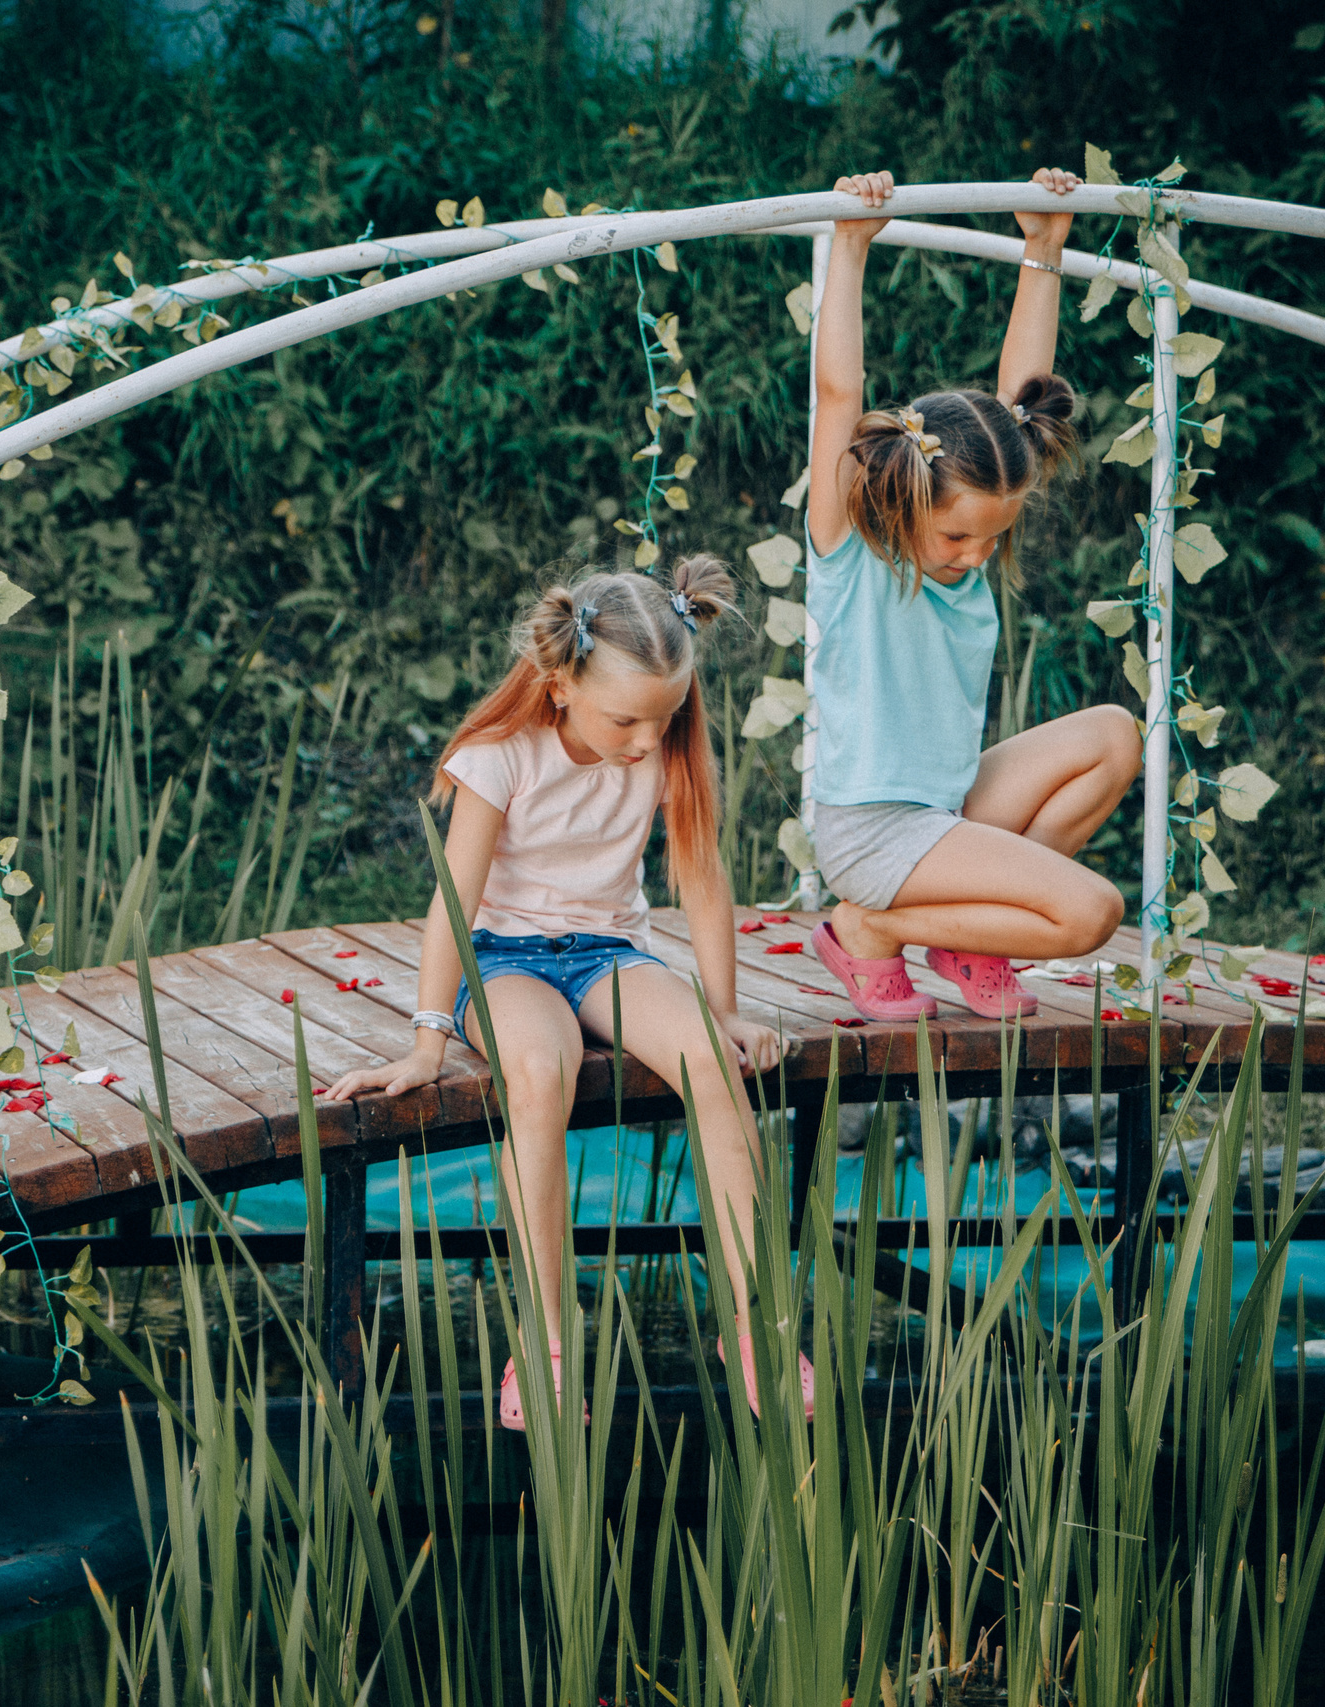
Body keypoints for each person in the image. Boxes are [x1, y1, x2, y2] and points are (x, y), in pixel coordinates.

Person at [323, 556, 812, 1430]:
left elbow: (700, 877)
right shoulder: (501, 756)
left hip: (608, 952)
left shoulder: (662, 746)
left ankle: (758, 1329)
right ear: (558, 685)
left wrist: (726, 1006)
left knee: (709, 1058)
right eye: (626, 718)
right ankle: (543, 1340)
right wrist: (430, 1039)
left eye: (661, 718)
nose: (641, 739)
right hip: (501, 958)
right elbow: (455, 899)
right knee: (542, 1071)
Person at [802, 167, 1143, 1023]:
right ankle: (870, 925)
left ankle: (961, 935)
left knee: (1113, 735)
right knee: (1092, 910)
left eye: (993, 535)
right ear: (904, 498)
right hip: (876, 835)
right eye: (958, 536)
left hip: (942, 811)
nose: (977, 553)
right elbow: (839, 395)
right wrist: (849, 244)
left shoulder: (965, 545)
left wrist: (1042, 250)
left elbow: (1017, 398)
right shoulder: (852, 548)